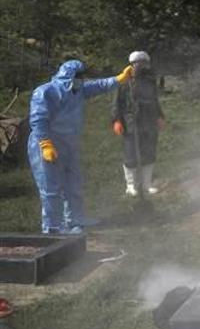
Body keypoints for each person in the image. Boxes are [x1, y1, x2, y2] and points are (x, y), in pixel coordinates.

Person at [28, 59, 133, 234]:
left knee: (73, 183)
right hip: (47, 144)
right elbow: (38, 119)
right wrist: (45, 143)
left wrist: (119, 79)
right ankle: (52, 227)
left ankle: (75, 218)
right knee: (51, 187)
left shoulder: (80, 90)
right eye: (79, 76)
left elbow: (100, 85)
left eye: (82, 76)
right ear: (68, 76)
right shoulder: (46, 92)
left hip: (69, 143)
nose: (82, 79)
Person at [111, 51, 165, 197]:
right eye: (137, 62)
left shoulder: (150, 80)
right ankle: (131, 186)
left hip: (149, 120)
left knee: (149, 152)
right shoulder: (124, 81)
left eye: (143, 62)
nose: (141, 65)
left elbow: (154, 100)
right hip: (130, 122)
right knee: (131, 154)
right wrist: (116, 120)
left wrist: (160, 116)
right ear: (132, 64)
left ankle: (147, 185)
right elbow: (117, 103)